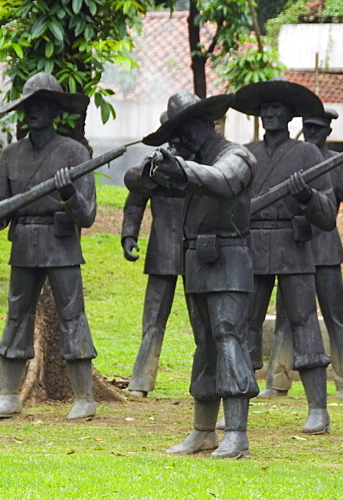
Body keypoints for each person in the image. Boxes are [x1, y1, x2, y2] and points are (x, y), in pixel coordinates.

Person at [0, 73, 98, 420]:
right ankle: (10, 394)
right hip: (24, 242)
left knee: (73, 316)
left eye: (41, 105)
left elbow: (87, 216)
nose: (34, 113)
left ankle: (84, 396)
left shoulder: (75, 152)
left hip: (62, 243)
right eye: (29, 106)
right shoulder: (10, 155)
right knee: (16, 315)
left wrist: (68, 193)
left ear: (55, 110)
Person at [137, 90, 257, 459]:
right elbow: (135, 182)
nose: (178, 140)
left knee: (227, 337)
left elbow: (223, 181)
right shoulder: (190, 164)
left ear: (203, 124)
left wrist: (183, 170)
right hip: (197, 262)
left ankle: (236, 433)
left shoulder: (237, 156)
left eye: (182, 130)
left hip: (230, 260)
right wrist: (157, 169)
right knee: (205, 344)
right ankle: (203, 431)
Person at [232, 79, 338, 434]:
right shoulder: (245, 154)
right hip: (252, 247)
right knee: (244, 325)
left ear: (292, 114)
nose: (270, 113)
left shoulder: (308, 154)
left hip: (294, 247)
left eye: (278, 107)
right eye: (265, 108)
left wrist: (306, 196)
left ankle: (318, 409)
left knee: (305, 322)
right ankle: (236, 406)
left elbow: (327, 215)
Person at [260, 107, 343, 400]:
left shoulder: (337, 163)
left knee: (335, 317)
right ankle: (277, 379)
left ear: (328, 132)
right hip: (294, 248)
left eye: (318, 129)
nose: (312, 133)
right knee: (286, 318)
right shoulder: (290, 157)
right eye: (307, 127)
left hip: (325, 250)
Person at [120, 121, 187, 398]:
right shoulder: (152, 164)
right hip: (161, 249)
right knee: (152, 319)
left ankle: (211, 380)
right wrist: (128, 236)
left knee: (204, 322)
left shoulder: (202, 163)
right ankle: (141, 380)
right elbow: (135, 201)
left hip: (198, 251)